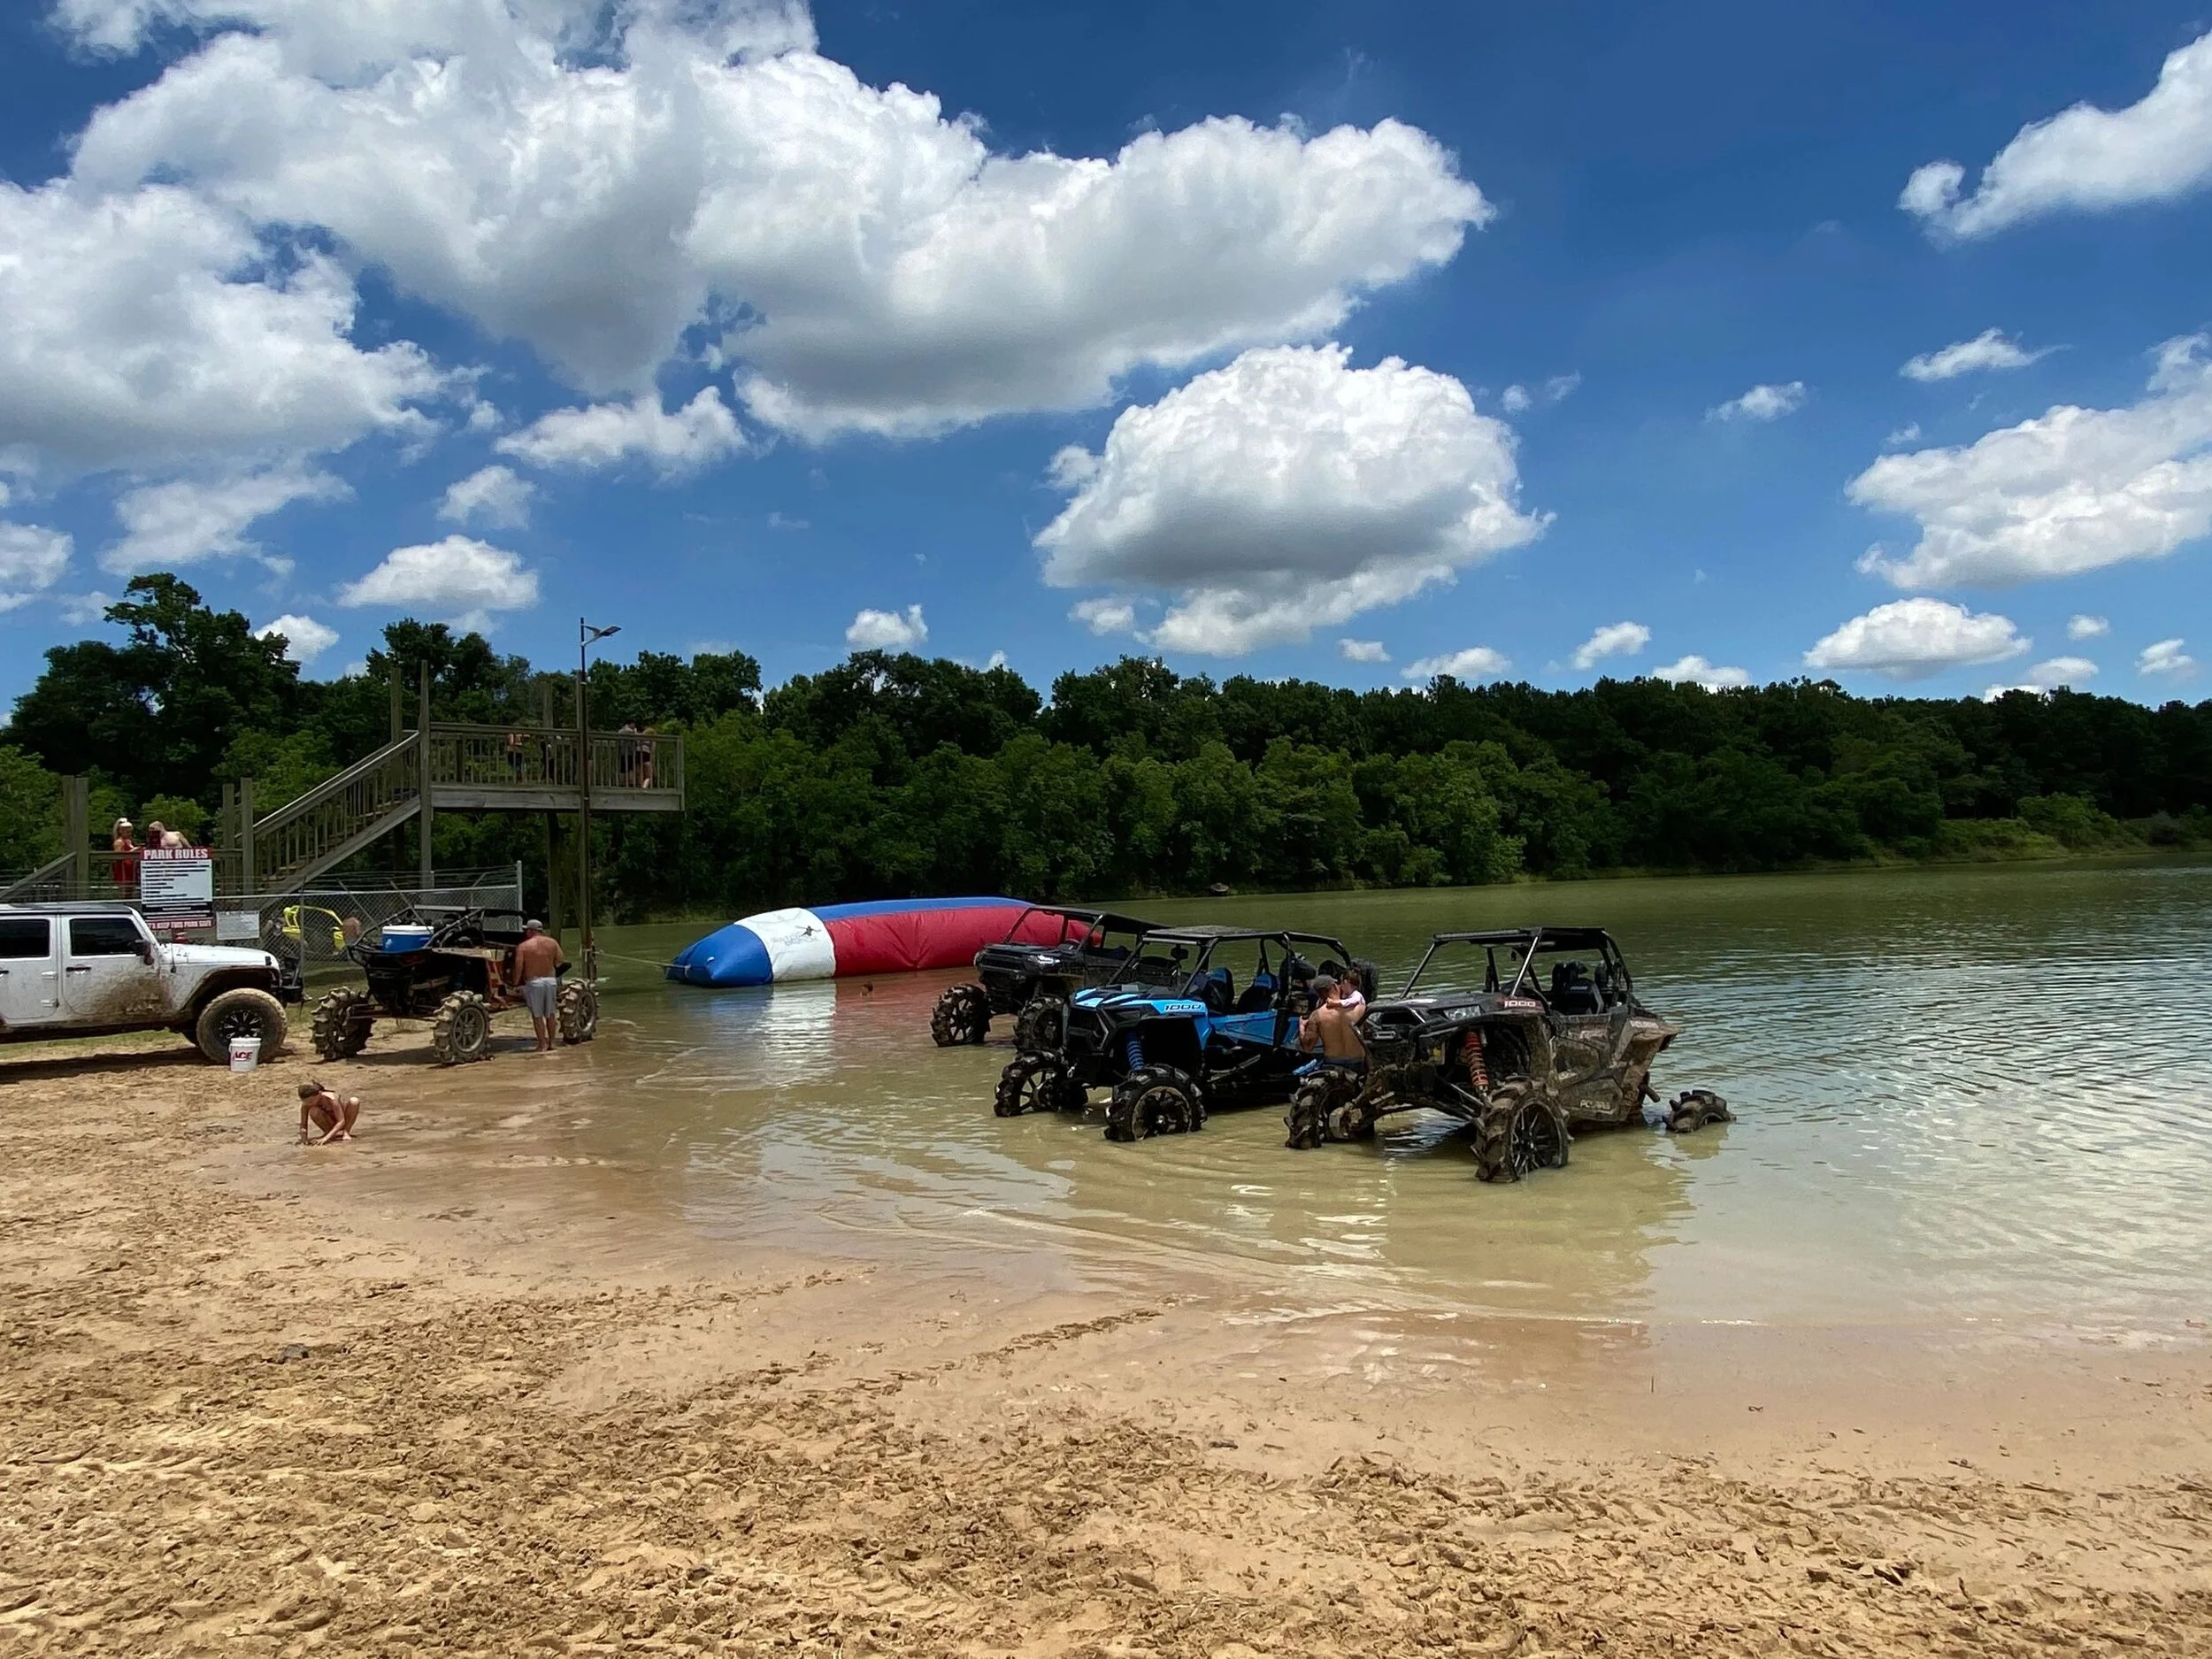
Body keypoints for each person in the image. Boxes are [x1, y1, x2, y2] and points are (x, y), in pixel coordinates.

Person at [514, 918, 565, 1052]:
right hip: (550, 981)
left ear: (531, 931)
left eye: (526, 930)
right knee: (551, 1014)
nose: (525, 932)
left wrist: (515, 983)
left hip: (534, 983)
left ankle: (542, 1044)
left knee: (537, 1016)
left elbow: (519, 967)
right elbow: (560, 960)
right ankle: (552, 1043)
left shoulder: (523, 947)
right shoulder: (552, 943)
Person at [1299, 975, 1367, 1071]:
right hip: (1357, 1061)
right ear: (1334, 987)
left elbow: (1307, 1047)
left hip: (1333, 1062)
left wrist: (1301, 1026)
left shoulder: (1317, 1015)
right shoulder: (1360, 1008)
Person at [298, 1080, 360, 1144]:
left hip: (343, 1119)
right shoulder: (306, 1105)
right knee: (314, 1111)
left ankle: (346, 1132)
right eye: (306, 1102)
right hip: (329, 1122)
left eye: (311, 1101)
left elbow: (341, 1121)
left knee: (354, 1101)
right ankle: (328, 1132)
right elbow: (303, 1124)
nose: (309, 1104)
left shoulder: (331, 1099)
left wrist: (326, 1139)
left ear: (319, 1094)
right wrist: (304, 1140)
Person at [111, 818, 138, 894]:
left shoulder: (129, 841)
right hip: (123, 869)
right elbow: (117, 856)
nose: (129, 833)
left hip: (131, 868)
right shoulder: (119, 842)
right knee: (124, 890)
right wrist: (132, 851)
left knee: (130, 889)